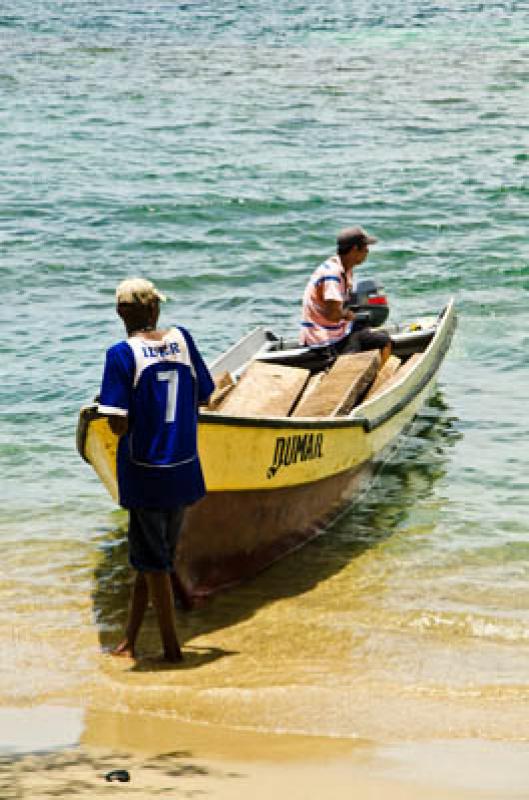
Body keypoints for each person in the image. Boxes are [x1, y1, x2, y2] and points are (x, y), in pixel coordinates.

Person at [97, 278, 214, 662]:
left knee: (154, 560)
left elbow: (116, 423)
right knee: (153, 558)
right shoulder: (182, 340)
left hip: (145, 474)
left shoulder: (121, 355)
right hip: (183, 468)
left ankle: (171, 650)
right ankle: (130, 641)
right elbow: (205, 393)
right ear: (154, 310)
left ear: (120, 313)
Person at [300, 226, 391, 362]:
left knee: (364, 326)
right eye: (365, 247)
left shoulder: (342, 268)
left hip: (328, 331)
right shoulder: (333, 274)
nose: (367, 251)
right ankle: (375, 377)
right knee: (383, 340)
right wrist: (348, 315)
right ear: (355, 249)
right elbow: (333, 314)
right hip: (325, 340)